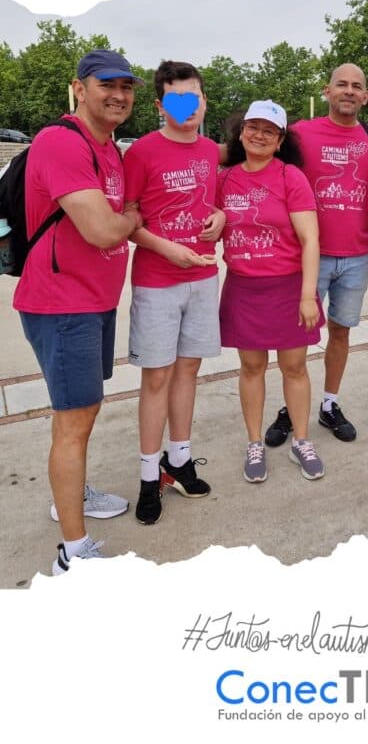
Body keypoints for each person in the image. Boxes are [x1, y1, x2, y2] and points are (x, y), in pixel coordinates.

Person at [13, 50, 145, 574]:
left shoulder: (108, 149)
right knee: (73, 421)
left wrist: (126, 219)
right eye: (106, 84)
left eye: (127, 86)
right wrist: (131, 215)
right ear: (80, 88)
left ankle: (73, 493)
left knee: (81, 413)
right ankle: (73, 550)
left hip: (93, 301)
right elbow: (103, 229)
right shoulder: (60, 142)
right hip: (62, 304)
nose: (118, 94)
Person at [123, 61, 224, 525]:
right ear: (161, 104)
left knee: (189, 372)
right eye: (176, 99)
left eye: (194, 98)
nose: (187, 107)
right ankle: (148, 476)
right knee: (157, 379)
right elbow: (129, 219)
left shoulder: (210, 151)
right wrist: (168, 249)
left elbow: (217, 202)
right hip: (158, 282)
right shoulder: (141, 151)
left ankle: (178, 460)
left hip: (202, 279)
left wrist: (221, 218)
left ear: (204, 101)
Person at [265, 63, 368, 447]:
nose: (348, 91)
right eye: (341, 84)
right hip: (308, 257)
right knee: (294, 337)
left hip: (357, 255)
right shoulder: (299, 133)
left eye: (356, 86)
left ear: (365, 96)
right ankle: (289, 407)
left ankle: (329, 403)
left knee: (341, 331)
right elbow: (264, 165)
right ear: (327, 92)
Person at [217, 100, 325, 483]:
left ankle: (301, 440)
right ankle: (254, 443)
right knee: (251, 367)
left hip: (289, 287)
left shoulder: (290, 177)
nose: (259, 135)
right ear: (241, 132)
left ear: (280, 141)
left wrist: (308, 294)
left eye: (269, 130)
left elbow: (310, 239)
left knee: (294, 368)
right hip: (244, 288)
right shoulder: (225, 179)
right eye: (253, 127)